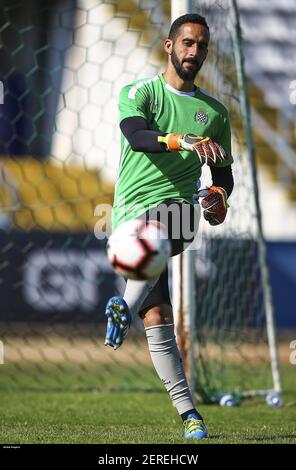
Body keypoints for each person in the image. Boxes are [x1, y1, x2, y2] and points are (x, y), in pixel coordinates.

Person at [104, 13, 234, 439]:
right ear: (169, 45)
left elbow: (224, 174)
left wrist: (220, 196)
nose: (195, 52)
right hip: (127, 217)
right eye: (187, 44)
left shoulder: (214, 113)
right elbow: (138, 136)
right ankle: (190, 416)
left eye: (201, 46)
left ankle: (121, 306)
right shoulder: (140, 92)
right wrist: (182, 140)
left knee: (169, 221)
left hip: (177, 213)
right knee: (157, 316)